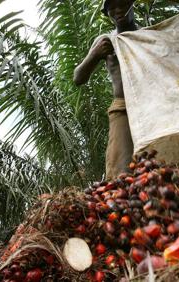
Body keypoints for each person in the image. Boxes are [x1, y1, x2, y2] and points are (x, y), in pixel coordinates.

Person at [73, 0, 136, 180]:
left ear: (133, 4)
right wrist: (94, 55)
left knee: (158, 163)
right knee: (121, 172)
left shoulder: (148, 36)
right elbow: (78, 78)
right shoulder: (106, 41)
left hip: (150, 107)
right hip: (123, 109)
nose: (117, 11)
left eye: (122, 4)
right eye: (112, 8)